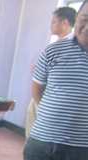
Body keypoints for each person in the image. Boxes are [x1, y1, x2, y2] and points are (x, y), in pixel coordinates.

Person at [22, 1, 88, 160]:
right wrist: (52, 117)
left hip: (80, 147)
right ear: (76, 18)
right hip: (41, 140)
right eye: (85, 19)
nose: (87, 27)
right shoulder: (53, 50)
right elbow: (37, 90)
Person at [25, 6, 76, 138]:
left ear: (64, 22)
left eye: (53, 22)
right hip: (42, 98)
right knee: (32, 135)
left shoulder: (73, 46)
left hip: (52, 101)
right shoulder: (55, 46)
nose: (50, 26)